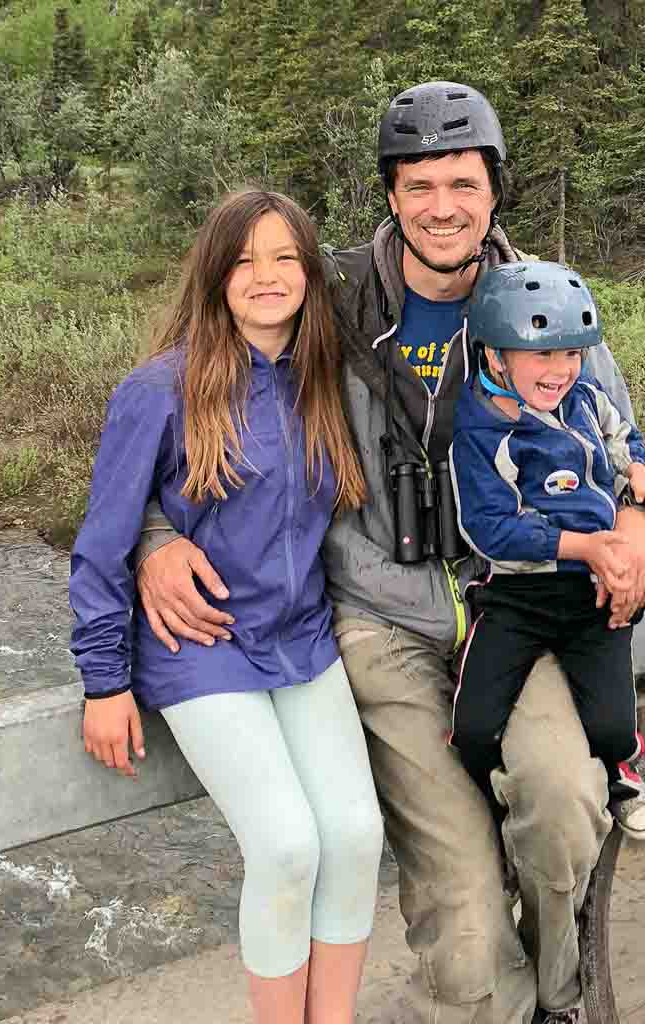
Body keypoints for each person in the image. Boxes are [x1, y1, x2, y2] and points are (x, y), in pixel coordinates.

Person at [133, 83, 645, 1024]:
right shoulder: (330, 299)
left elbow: (620, 442)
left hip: (524, 602)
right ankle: (488, 995)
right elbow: (182, 397)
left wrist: (636, 521)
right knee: (462, 927)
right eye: (419, 185)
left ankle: (558, 997)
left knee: (562, 804)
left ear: (495, 191)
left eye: (462, 182)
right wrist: (157, 540)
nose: (443, 206)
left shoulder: (544, 297)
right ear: (390, 196)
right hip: (381, 622)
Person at [68, 189, 384, 1024]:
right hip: (200, 646)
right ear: (214, 277)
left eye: (285, 258)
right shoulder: (159, 390)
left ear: (311, 275)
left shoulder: (326, 379)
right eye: (244, 260)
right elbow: (101, 542)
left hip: (303, 637)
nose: (266, 276)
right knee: (286, 847)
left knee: (354, 838)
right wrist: (104, 682)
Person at [449, 261, 645, 843]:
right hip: (516, 596)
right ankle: (492, 814)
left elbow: (624, 433)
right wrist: (585, 545)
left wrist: (637, 473)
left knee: (611, 724)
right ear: (495, 356)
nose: (561, 370)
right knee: (472, 725)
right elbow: (489, 528)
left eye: (571, 354)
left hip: (591, 591)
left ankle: (621, 774)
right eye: (542, 355)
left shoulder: (584, 398)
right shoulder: (481, 429)